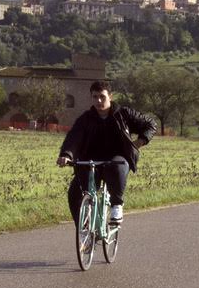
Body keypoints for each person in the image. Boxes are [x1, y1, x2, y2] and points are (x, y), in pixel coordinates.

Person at [56, 80, 156, 226]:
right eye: (95, 97)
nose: (98, 100)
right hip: (91, 161)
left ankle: (117, 206)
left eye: (102, 97)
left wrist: (139, 142)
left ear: (110, 96)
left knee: (116, 166)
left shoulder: (124, 114)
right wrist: (66, 155)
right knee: (74, 193)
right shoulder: (85, 119)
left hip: (118, 158)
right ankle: (84, 229)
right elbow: (73, 138)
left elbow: (150, 124)